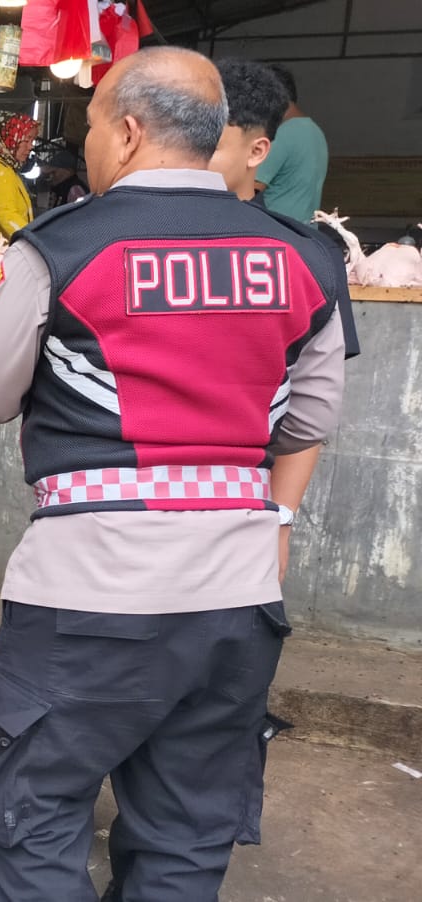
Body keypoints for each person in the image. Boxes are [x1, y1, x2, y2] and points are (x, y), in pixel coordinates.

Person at [0, 47, 345, 901]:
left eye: (89, 125)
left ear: (126, 133)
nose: (87, 142)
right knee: (185, 837)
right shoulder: (303, 259)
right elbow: (309, 420)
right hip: (235, 605)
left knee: (37, 816)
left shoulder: (64, 247)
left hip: (87, 601)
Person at [211, 57, 362, 585]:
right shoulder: (128, 234)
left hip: (238, 515)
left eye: (209, 140)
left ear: (258, 150)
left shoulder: (306, 261)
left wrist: (279, 523)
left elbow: (307, 417)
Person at [254, 64, 328, 223]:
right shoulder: (315, 132)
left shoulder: (282, 135)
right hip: (304, 233)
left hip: (276, 232)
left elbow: (250, 189)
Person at [0, 111, 40, 244]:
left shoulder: (8, 169)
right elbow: (6, 214)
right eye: (26, 140)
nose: (31, 147)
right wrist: (35, 241)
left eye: (32, 140)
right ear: (10, 137)